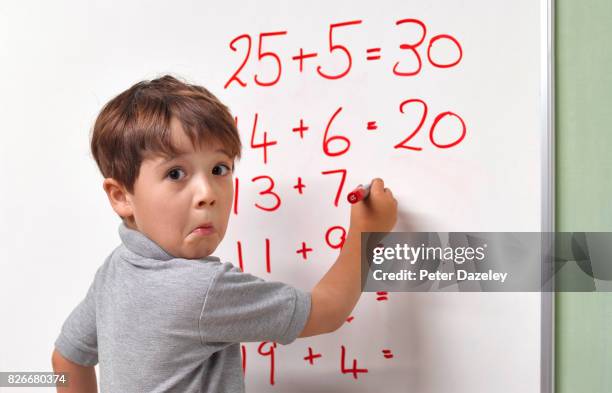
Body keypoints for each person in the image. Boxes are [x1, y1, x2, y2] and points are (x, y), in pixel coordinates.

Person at [51, 74, 398, 392]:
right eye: (175, 174)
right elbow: (326, 312)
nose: (208, 193)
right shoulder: (201, 288)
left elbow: (66, 360)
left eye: (220, 169)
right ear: (121, 196)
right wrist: (367, 232)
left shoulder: (115, 270)